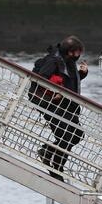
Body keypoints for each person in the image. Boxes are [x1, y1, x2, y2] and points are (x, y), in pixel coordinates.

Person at [31, 36, 88, 182]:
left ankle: (48, 152)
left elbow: (68, 82)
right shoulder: (53, 61)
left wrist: (82, 74)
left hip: (67, 105)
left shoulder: (68, 62)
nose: (79, 55)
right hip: (52, 105)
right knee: (67, 136)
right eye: (77, 52)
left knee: (76, 135)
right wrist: (54, 92)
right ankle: (56, 167)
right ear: (70, 52)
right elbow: (41, 79)